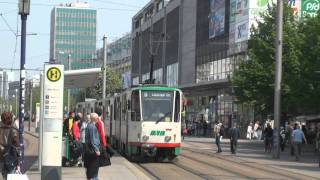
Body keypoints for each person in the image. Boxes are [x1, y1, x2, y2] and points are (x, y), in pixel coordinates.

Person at [0, 112, 20, 179]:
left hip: (1, 154)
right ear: (11, 118)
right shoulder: (13, 128)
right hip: (11, 154)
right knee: (11, 173)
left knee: (3, 171)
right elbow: (16, 142)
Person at [84, 113, 101, 180]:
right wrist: (97, 150)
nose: (98, 119)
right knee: (94, 171)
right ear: (95, 119)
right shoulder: (93, 127)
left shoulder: (88, 125)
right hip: (93, 151)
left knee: (91, 170)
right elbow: (93, 139)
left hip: (89, 150)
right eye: (97, 118)